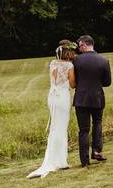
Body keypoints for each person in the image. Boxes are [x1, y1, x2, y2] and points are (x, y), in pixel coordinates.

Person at [27, 40, 78, 178]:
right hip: (62, 97)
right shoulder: (69, 65)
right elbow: (73, 84)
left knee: (55, 128)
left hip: (52, 97)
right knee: (61, 128)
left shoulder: (52, 63)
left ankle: (57, 159)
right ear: (67, 52)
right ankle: (59, 161)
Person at [71, 34, 112, 168]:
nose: (78, 49)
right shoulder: (104, 60)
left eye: (79, 46)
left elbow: (74, 81)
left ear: (84, 44)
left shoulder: (76, 61)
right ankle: (96, 151)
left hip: (81, 99)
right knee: (97, 123)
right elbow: (107, 82)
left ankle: (84, 160)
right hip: (97, 97)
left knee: (83, 130)